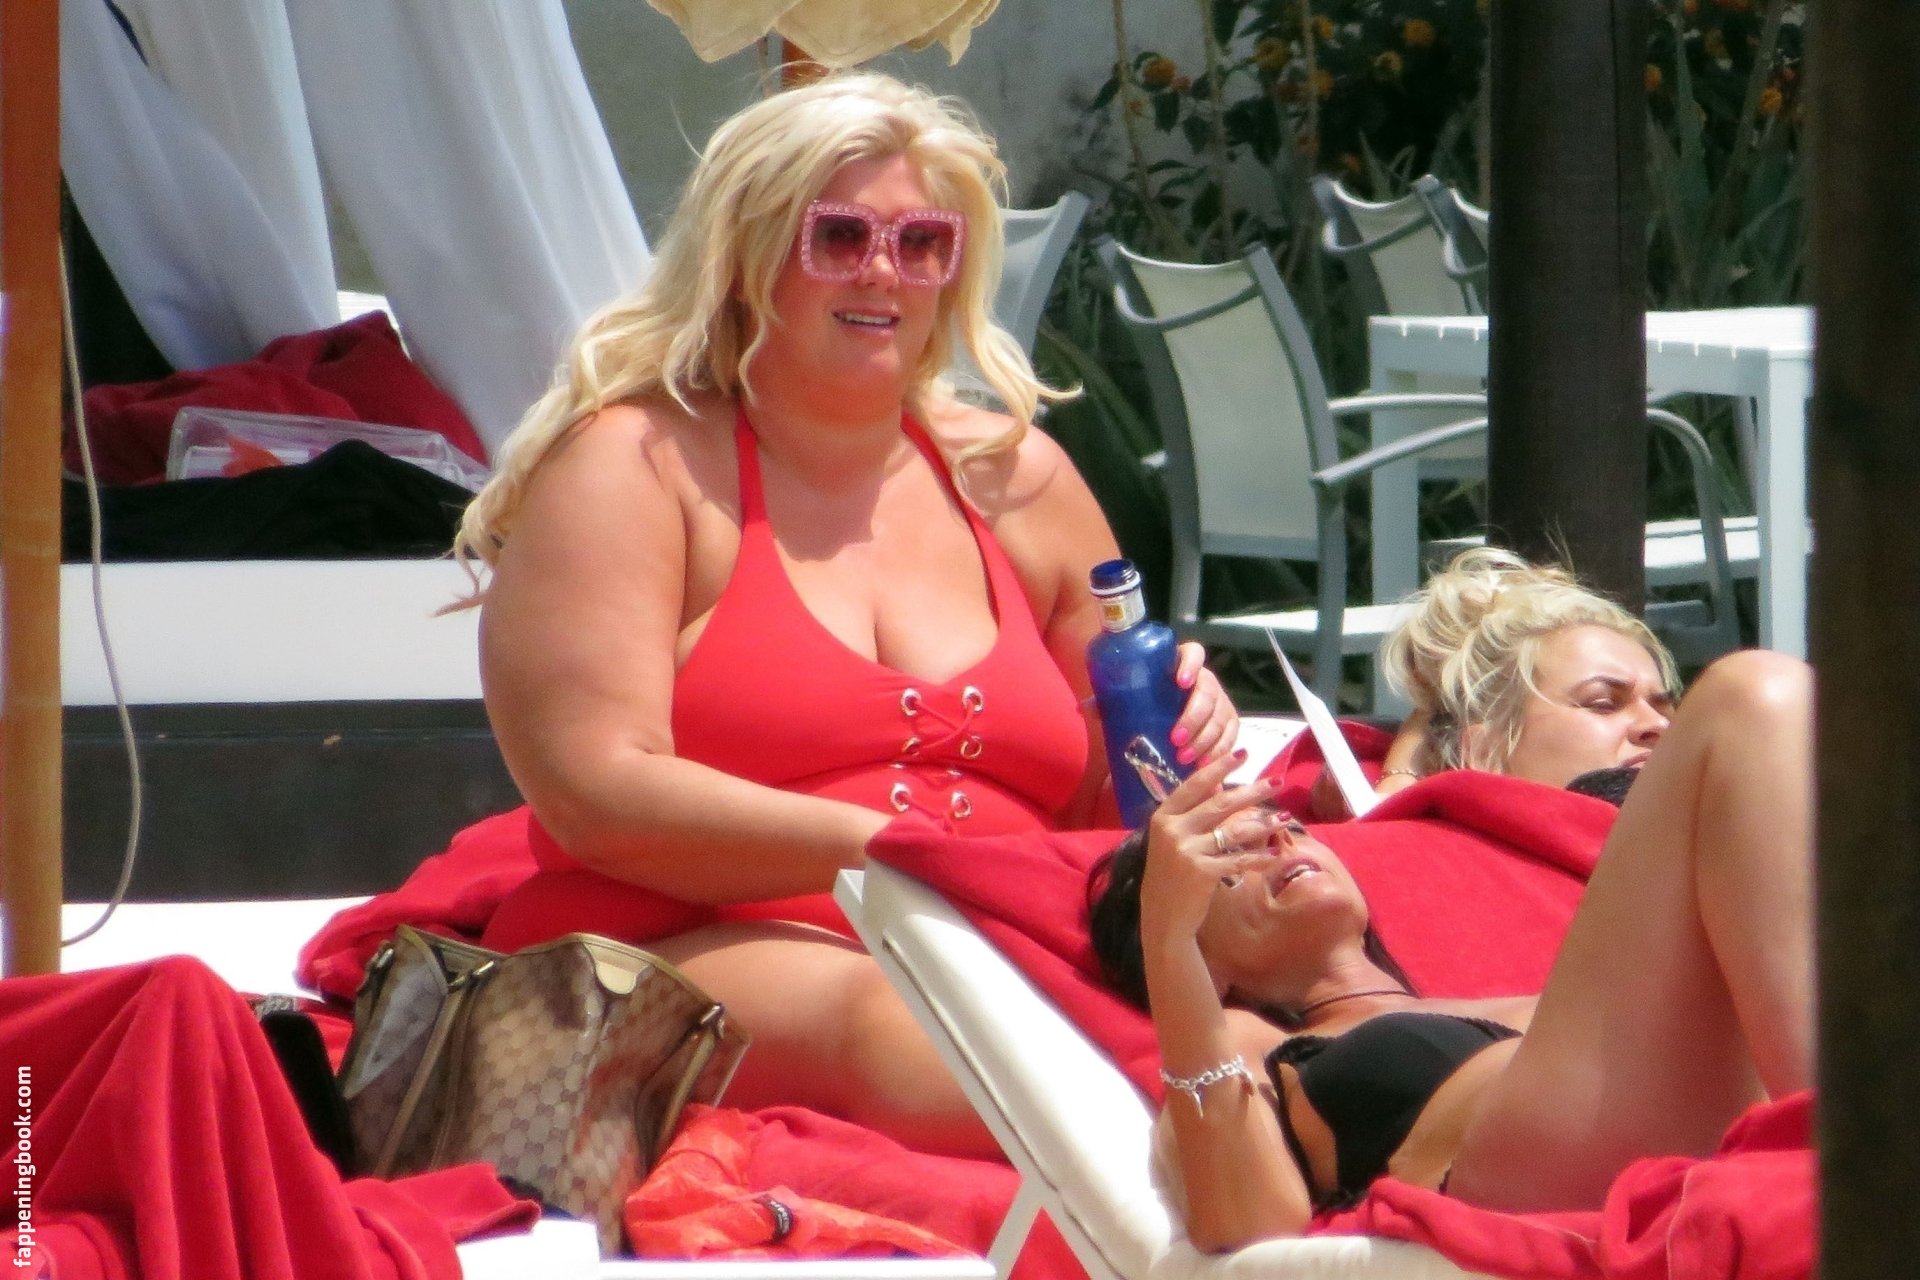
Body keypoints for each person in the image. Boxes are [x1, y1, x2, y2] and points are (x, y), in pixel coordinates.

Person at [448, 71, 1237, 1158]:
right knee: (892, 1019)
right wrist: (905, 853)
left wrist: (1182, 734)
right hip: (690, 945)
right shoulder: (638, 465)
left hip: (1007, 946)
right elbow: (597, 794)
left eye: (923, 243)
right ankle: (1244, 1157)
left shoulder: (1019, 481)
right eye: (840, 235)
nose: (884, 271)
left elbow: (1114, 799)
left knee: (1261, 1006)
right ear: (743, 255)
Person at [1088, 549, 1813, 1247]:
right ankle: (1845, 1138)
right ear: (1206, 961)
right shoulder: (1243, 1041)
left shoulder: (1480, 998)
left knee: (1768, 717)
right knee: (1750, 694)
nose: (1278, 840)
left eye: (1287, 825)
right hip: (1525, 1163)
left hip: (1661, 1110)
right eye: (1230, 858)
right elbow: (1246, 1228)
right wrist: (1168, 943)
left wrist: (1418, 736)